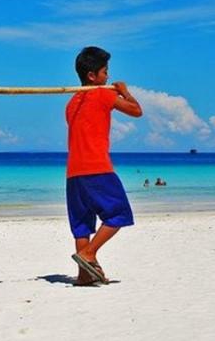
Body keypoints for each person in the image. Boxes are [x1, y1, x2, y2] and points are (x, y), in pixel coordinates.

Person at [65, 46, 142, 286]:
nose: (108, 76)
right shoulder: (104, 94)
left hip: (73, 174)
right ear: (92, 76)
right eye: (105, 72)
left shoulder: (71, 104)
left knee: (81, 224)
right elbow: (137, 111)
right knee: (119, 213)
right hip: (97, 168)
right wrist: (124, 92)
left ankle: (84, 275)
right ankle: (89, 254)